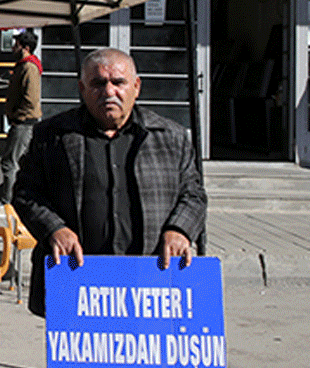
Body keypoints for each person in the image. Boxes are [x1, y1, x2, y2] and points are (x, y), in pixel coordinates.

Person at [13, 48, 207, 317]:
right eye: (98, 83)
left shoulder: (170, 137)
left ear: (136, 87)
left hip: (150, 282)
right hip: (76, 280)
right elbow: (25, 193)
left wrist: (180, 230)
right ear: (82, 88)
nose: (108, 91)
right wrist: (54, 229)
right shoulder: (52, 136)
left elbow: (194, 195)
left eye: (118, 82)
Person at [0, 30, 42, 203]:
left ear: (25, 48)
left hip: (24, 122)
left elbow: (30, 98)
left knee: (9, 162)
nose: (12, 48)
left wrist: (17, 116)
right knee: (16, 161)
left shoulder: (29, 67)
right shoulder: (24, 66)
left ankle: (8, 202)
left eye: (16, 45)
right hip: (22, 121)